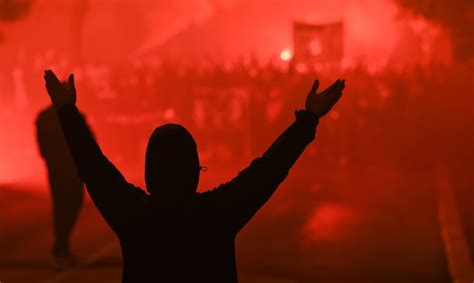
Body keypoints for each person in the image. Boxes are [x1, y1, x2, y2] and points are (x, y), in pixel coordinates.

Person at [43, 69, 345, 282]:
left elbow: (92, 166)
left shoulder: (132, 214)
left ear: (150, 173)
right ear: (194, 172)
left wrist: (66, 111)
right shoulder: (218, 213)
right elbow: (269, 169)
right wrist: (308, 120)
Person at [36, 104, 90, 269]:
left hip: (66, 168)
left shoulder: (47, 116)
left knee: (68, 205)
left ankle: (61, 246)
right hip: (65, 168)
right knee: (66, 205)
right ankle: (61, 247)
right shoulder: (51, 117)